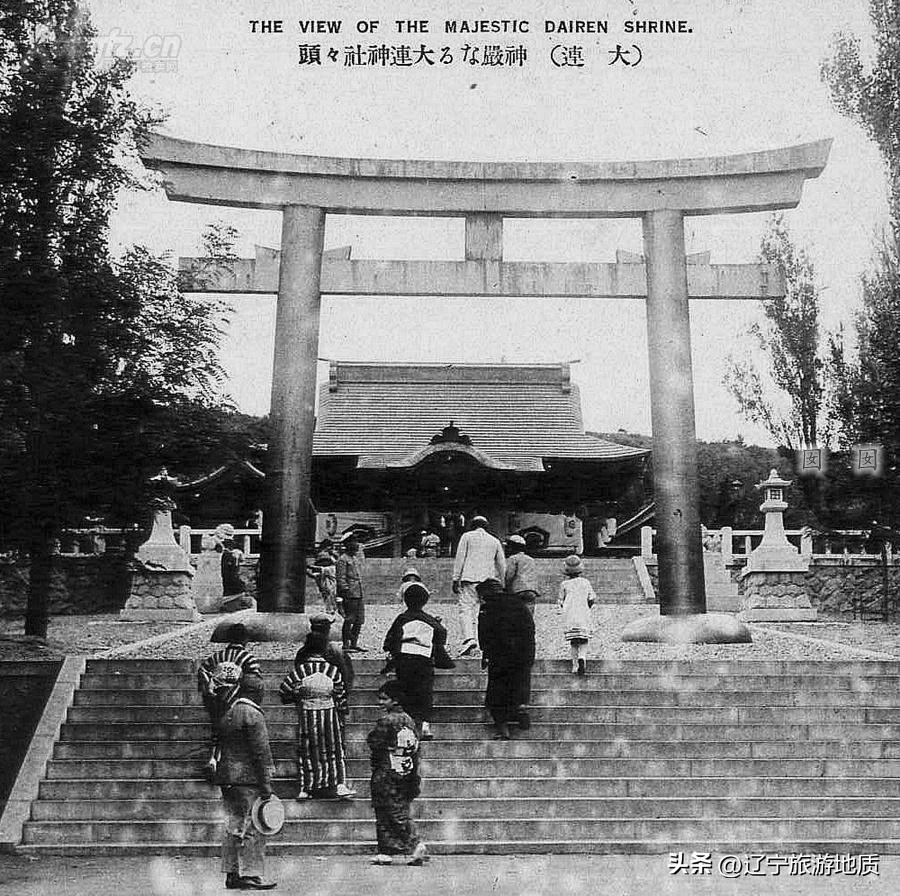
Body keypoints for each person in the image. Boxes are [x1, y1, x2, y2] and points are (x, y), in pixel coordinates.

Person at [214, 661, 277, 890]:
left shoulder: (230, 712)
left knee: (232, 825)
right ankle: (251, 873)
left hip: (228, 778)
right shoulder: (253, 715)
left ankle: (232, 872)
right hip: (248, 779)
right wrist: (266, 784)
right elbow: (261, 752)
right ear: (256, 691)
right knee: (254, 825)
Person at [279, 629, 355, 800]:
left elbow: (284, 691)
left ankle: (306, 787)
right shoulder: (332, 670)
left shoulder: (300, 671)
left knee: (307, 749)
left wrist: (297, 695)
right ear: (324, 649)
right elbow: (340, 694)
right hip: (329, 714)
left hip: (307, 714)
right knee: (334, 749)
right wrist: (342, 711)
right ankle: (339, 784)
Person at [382, 581, 454, 741]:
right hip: (424, 661)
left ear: (405, 600)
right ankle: (425, 725)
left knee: (406, 691)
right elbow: (441, 632)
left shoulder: (402, 618)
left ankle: (409, 726)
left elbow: (390, 641)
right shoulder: (429, 619)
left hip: (404, 660)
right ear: (425, 601)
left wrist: (393, 650)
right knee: (425, 692)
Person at [367, 679, 428, 866]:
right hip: (405, 768)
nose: (380, 702)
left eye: (384, 699)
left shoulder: (386, 721)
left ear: (394, 700)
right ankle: (386, 850)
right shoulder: (409, 720)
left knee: (390, 810)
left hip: (386, 770)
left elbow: (375, 742)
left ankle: (414, 843)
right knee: (396, 808)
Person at [197, 623, 264, 779]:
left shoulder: (216, 657)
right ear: (245, 640)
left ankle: (214, 758)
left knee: (217, 729)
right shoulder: (248, 658)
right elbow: (255, 682)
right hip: (237, 699)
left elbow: (203, 671)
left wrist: (210, 690)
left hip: (217, 699)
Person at [477, 578, 535, 740]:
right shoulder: (519, 604)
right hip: (522, 653)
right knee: (519, 683)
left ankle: (503, 729)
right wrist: (529, 655)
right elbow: (530, 630)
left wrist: (485, 654)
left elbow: (484, 633)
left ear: (485, 594)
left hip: (500, 655)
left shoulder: (488, 607)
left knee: (498, 691)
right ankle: (521, 707)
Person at [451, 514, 505, 657]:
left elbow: (460, 557)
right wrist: (502, 582)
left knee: (466, 609)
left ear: (472, 525)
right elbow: (501, 563)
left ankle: (469, 639)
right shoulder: (494, 540)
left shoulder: (467, 537)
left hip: (469, 578)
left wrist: (456, 578)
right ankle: (486, 641)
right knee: (484, 611)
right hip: (488, 581)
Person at [294, 614, 355, 696]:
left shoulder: (302, 651)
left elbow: (297, 675)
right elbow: (346, 675)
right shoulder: (335, 651)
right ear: (328, 629)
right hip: (331, 695)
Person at [557, 554, 597, 675]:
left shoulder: (564, 584)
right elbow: (592, 598)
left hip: (570, 614)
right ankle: (582, 657)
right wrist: (587, 606)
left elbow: (560, 601)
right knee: (584, 639)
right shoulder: (585, 582)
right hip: (583, 612)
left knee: (573, 641)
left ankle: (575, 665)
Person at [336, 533, 367, 652]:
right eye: (354, 542)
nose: (356, 545)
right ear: (347, 544)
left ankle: (354, 643)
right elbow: (341, 578)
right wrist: (346, 592)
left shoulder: (354, 559)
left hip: (358, 593)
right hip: (350, 594)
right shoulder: (342, 560)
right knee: (349, 619)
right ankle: (346, 645)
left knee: (359, 620)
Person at [504, 534, 540, 614]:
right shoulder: (530, 559)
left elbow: (509, 575)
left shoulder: (513, 559)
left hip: (518, 590)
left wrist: (505, 586)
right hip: (531, 590)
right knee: (529, 614)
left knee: (517, 613)